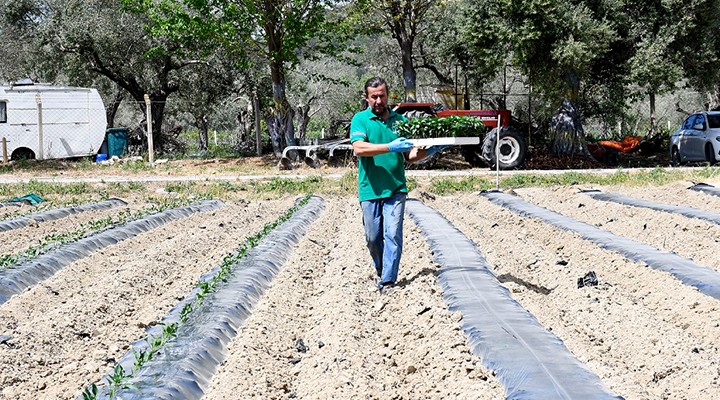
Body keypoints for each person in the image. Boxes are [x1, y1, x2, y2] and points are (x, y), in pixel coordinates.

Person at [350, 77, 444, 294]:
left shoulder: (400, 121)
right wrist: (389, 147)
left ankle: (388, 281)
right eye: (373, 96)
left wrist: (431, 149)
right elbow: (359, 149)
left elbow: (410, 155)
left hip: (395, 188)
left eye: (382, 95)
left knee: (393, 233)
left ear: (388, 95)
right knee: (373, 238)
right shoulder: (361, 120)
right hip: (370, 189)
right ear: (366, 97)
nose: (378, 100)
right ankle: (381, 270)